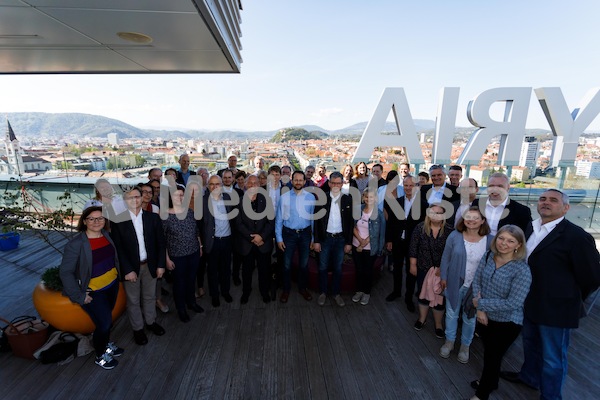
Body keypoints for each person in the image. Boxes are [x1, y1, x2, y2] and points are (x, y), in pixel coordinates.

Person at [500, 189, 600, 400]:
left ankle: (551, 396)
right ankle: (529, 377)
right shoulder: (530, 228)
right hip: (528, 302)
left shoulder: (577, 236)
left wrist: (569, 297)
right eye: (543, 198)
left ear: (566, 207)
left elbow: (591, 276)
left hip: (556, 309)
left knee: (553, 358)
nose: (546, 202)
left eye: (553, 200)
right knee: (530, 344)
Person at [469, 225, 532, 400]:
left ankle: (482, 395)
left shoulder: (522, 270)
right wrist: (480, 309)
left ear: (518, 245)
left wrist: (481, 304)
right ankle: (492, 382)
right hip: (485, 316)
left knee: (492, 357)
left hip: (507, 322)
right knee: (490, 353)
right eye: (501, 238)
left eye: (510, 241)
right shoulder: (489, 256)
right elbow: (477, 281)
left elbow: (514, 302)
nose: (504, 243)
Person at [59, 206, 124, 370]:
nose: (96, 222)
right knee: (105, 323)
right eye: (92, 219)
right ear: (85, 221)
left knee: (104, 321)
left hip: (111, 285)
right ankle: (100, 356)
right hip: (93, 292)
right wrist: (79, 295)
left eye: (100, 218)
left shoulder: (107, 236)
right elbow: (66, 272)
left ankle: (106, 344)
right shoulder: (76, 244)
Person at [110, 187, 167, 346]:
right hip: (131, 269)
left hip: (150, 265)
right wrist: (127, 270)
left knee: (150, 296)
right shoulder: (118, 220)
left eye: (137, 197)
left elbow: (161, 244)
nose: (134, 200)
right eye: (130, 198)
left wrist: (161, 265)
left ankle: (150, 322)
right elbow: (118, 249)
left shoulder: (152, 218)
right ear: (125, 201)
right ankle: (138, 329)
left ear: (142, 198)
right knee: (133, 300)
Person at [439, 206, 492, 364]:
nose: (471, 220)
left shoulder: (490, 240)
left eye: (476, 218)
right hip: (455, 281)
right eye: (468, 217)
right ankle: (449, 341)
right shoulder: (455, 236)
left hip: (476, 286)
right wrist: (443, 277)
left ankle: (465, 346)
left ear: (482, 221)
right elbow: (445, 258)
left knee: (470, 317)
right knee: (451, 313)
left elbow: (492, 264)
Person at [409, 204, 454, 338]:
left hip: (442, 271)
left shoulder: (450, 230)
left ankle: (438, 324)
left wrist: (444, 269)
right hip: (423, 267)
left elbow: (453, 253)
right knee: (423, 295)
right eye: (433, 212)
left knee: (439, 297)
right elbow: (413, 247)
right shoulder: (420, 228)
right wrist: (412, 265)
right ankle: (422, 319)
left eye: (439, 213)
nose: (436, 215)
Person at [385, 175, 427, 311]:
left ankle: (409, 298)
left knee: (411, 271)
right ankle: (396, 292)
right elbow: (390, 223)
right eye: (406, 185)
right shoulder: (397, 202)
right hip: (397, 242)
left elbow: (425, 228)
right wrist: (389, 240)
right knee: (397, 268)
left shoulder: (424, 205)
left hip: (413, 245)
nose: (408, 188)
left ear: (417, 186)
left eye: (411, 185)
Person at [162, 184, 204, 322]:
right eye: (176, 195)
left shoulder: (190, 212)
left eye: (182, 195)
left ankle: (191, 303)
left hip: (193, 252)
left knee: (191, 279)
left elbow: (196, 231)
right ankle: (181, 309)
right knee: (179, 283)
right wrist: (167, 259)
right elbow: (162, 240)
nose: (180, 198)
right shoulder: (165, 215)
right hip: (176, 256)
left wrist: (200, 246)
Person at [313, 172, 353, 307]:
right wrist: (316, 241)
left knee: (338, 268)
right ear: (329, 183)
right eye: (333, 183)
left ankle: (336, 293)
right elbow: (317, 221)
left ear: (342, 184)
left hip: (341, 239)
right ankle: (323, 292)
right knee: (323, 267)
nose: (336, 185)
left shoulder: (348, 199)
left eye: (338, 183)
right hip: (325, 239)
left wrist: (348, 242)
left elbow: (350, 223)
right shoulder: (321, 199)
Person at [275, 170, 315, 303]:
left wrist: (313, 238)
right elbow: (279, 219)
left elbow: (313, 219)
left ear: (304, 181)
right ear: (292, 181)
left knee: (304, 264)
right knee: (286, 265)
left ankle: (302, 288)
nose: (298, 182)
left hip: (305, 234)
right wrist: (279, 238)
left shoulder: (310, 197)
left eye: (300, 180)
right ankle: (286, 290)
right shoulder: (284, 197)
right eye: (295, 180)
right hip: (288, 234)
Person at [235, 174, 275, 304]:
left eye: (255, 183)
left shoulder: (266, 200)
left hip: (264, 243)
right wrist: (253, 238)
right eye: (250, 183)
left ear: (260, 185)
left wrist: (261, 236)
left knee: (264, 270)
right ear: (245, 185)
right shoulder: (239, 201)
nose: (253, 185)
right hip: (247, 244)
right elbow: (238, 224)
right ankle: (246, 292)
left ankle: (264, 292)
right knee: (246, 271)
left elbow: (271, 222)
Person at [200, 175, 235, 308]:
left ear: (222, 185)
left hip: (227, 239)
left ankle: (225, 292)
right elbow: (200, 224)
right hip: (212, 241)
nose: (215, 187)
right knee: (212, 270)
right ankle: (214, 295)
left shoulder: (228, 198)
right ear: (208, 186)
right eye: (212, 184)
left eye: (217, 184)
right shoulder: (203, 201)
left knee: (226, 269)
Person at [351, 188, 385, 305]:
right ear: (363, 197)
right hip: (357, 245)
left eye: (371, 197)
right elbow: (353, 226)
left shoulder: (379, 213)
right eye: (366, 196)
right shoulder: (357, 209)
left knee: (367, 271)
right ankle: (359, 291)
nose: (368, 199)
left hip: (370, 248)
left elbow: (378, 232)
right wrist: (360, 242)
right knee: (359, 270)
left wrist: (364, 244)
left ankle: (366, 293)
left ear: (375, 198)